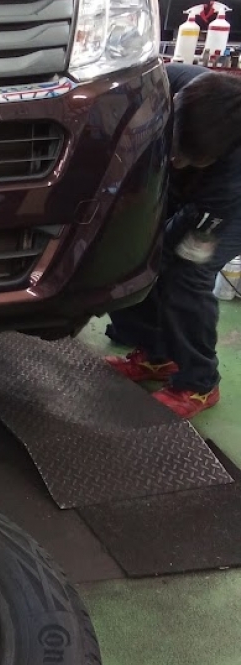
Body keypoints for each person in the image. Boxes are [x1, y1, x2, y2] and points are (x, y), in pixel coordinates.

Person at [105, 63, 241, 417]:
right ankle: (155, 355)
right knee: (130, 253)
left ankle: (199, 382)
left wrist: (158, 246)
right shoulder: (157, 84)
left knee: (185, 275)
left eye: (188, 157)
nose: (176, 159)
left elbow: (195, 234)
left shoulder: (230, 175)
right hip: (178, 183)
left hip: (226, 207)